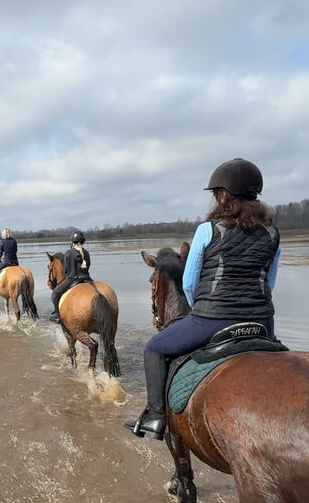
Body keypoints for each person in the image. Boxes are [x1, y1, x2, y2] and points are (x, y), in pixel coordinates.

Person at [126, 158, 281, 440]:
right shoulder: (272, 233)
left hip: (211, 318)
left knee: (154, 349)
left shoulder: (208, 230)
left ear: (222, 196)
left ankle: (156, 418)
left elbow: (189, 283)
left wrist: (203, 309)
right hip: (262, 320)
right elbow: (269, 282)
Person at [48, 231, 92, 322]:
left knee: (55, 295)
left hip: (72, 279)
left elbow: (66, 270)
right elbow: (88, 266)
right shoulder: (86, 253)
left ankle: (58, 315)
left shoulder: (68, 253)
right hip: (86, 278)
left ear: (73, 241)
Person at [0, 228, 19, 293]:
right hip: (15, 262)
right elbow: (16, 251)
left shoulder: (2, 241)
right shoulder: (14, 241)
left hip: (7, 262)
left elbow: (0, 253)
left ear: (3, 234)